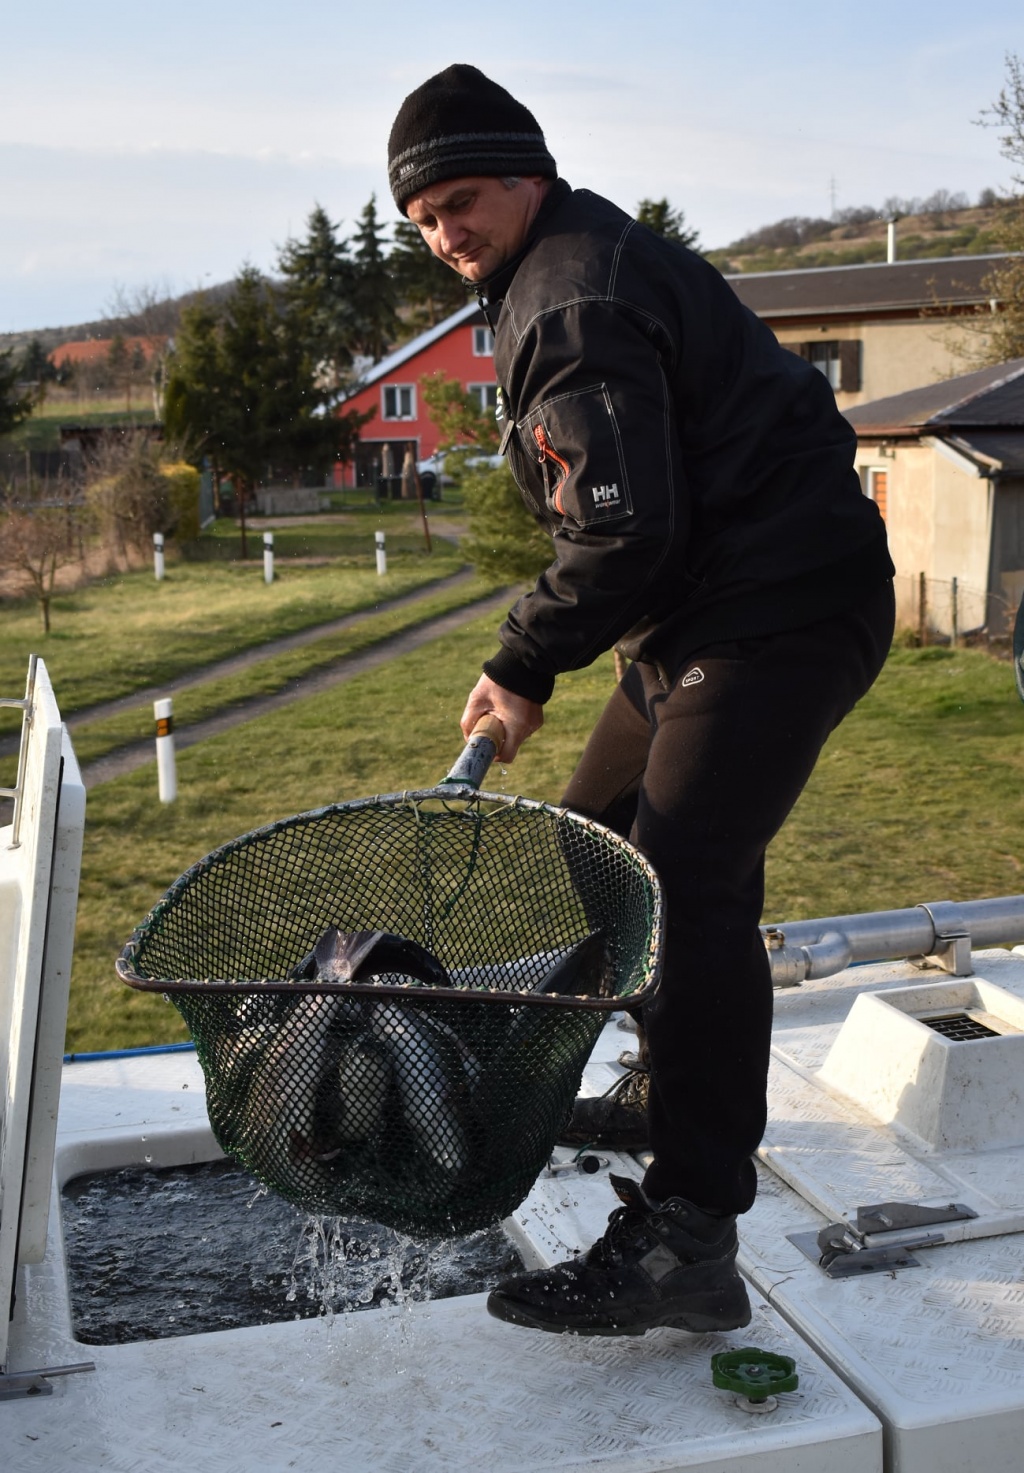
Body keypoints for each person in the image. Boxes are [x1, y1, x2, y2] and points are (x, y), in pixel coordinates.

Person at [388, 64, 895, 1338]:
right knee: (602, 846)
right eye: (424, 219)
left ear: (528, 176)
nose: (446, 233)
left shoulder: (571, 296)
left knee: (680, 885)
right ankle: (672, 1084)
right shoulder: (554, 269)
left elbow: (620, 527)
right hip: (700, 613)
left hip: (779, 608)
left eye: (461, 201)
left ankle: (688, 1238)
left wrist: (521, 661)